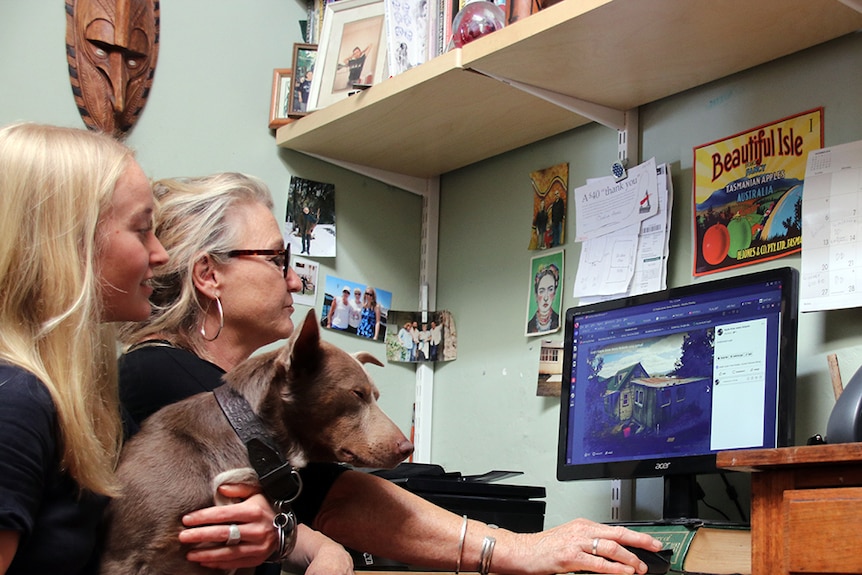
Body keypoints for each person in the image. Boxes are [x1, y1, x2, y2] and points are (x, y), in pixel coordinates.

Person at [118, 172, 662, 575]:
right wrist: (517, 548)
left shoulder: (228, 388)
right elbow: (328, 496)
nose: (295, 280)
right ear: (210, 275)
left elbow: (302, 508)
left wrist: (317, 545)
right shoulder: (162, 379)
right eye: (277, 261)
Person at [0, 126, 346, 575]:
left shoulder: (79, 400)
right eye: (142, 229)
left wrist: (273, 533)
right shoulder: (16, 403)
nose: (161, 255)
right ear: (70, 242)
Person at [527, 263, 561, 334]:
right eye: (542, 291)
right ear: (536, 294)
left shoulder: (558, 320)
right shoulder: (529, 326)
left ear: (554, 293)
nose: (546, 298)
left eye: (550, 290)